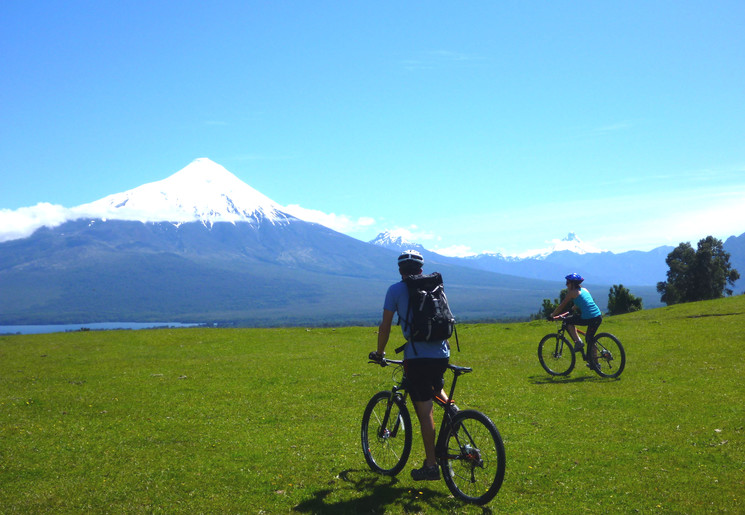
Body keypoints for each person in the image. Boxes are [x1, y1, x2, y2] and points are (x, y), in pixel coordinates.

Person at [369, 249, 451, 481]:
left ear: (400, 270)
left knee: (425, 413)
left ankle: (432, 465)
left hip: (417, 357)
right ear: (421, 269)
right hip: (441, 354)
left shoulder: (395, 290)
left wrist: (380, 352)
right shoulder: (435, 287)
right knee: (437, 390)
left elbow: (385, 325)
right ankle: (456, 417)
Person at [550, 273, 603, 366]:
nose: (566, 284)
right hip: (597, 316)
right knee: (590, 339)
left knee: (567, 321)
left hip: (589, 317)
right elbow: (581, 303)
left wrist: (552, 315)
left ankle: (578, 343)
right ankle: (595, 363)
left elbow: (562, 305)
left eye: (567, 282)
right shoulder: (584, 290)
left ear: (573, 284)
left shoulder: (572, 292)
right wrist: (570, 311)